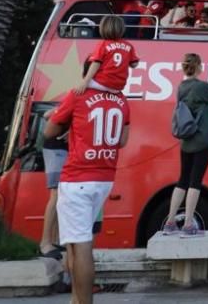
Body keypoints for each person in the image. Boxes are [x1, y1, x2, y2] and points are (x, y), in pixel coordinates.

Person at [44, 75, 130, 304]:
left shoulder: (78, 95)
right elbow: (122, 140)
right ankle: (75, 299)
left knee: (80, 245)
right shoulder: (121, 100)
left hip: (78, 176)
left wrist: (68, 122)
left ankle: (84, 301)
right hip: (104, 176)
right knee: (75, 241)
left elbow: (49, 132)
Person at [163, 54, 208, 236]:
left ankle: (170, 222)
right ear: (199, 66)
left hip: (187, 141)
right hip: (203, 140)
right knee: (195, 181)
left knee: (182, 179)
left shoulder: (182, 87)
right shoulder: (202, 87)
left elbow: (203, 97)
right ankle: (188, 224)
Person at [74, 15, 139, 95]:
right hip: (118, 87)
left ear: (103, 28)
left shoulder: (103, 44)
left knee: (77, 89)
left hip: (103, 83)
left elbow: (96, 63)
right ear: (122, 29)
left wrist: (85, 81)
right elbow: (134, 65)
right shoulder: (129, 46)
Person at [40, 110, 69, 259]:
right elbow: (46, 115)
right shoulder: (73, 98)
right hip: (56, 149)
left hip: (64, 150)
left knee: (63, 195)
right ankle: (45, 243)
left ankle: (56, 240)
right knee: (56, 194)